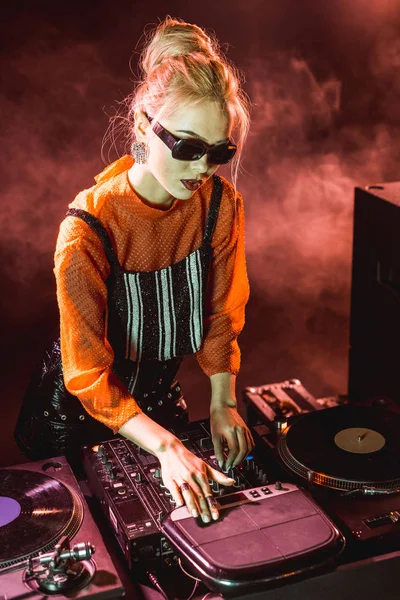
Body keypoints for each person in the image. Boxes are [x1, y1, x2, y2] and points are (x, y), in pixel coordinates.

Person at [14, 16, 254, 524]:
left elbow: (221, 314)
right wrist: (166, 448)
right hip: (73, 420)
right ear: (145, 126)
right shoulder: (87, 229)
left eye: (220, 152)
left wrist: (221, 401)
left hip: (162, 409)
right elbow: (87, 372)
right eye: (188, 147)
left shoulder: (219, 206)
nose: (203, 168)